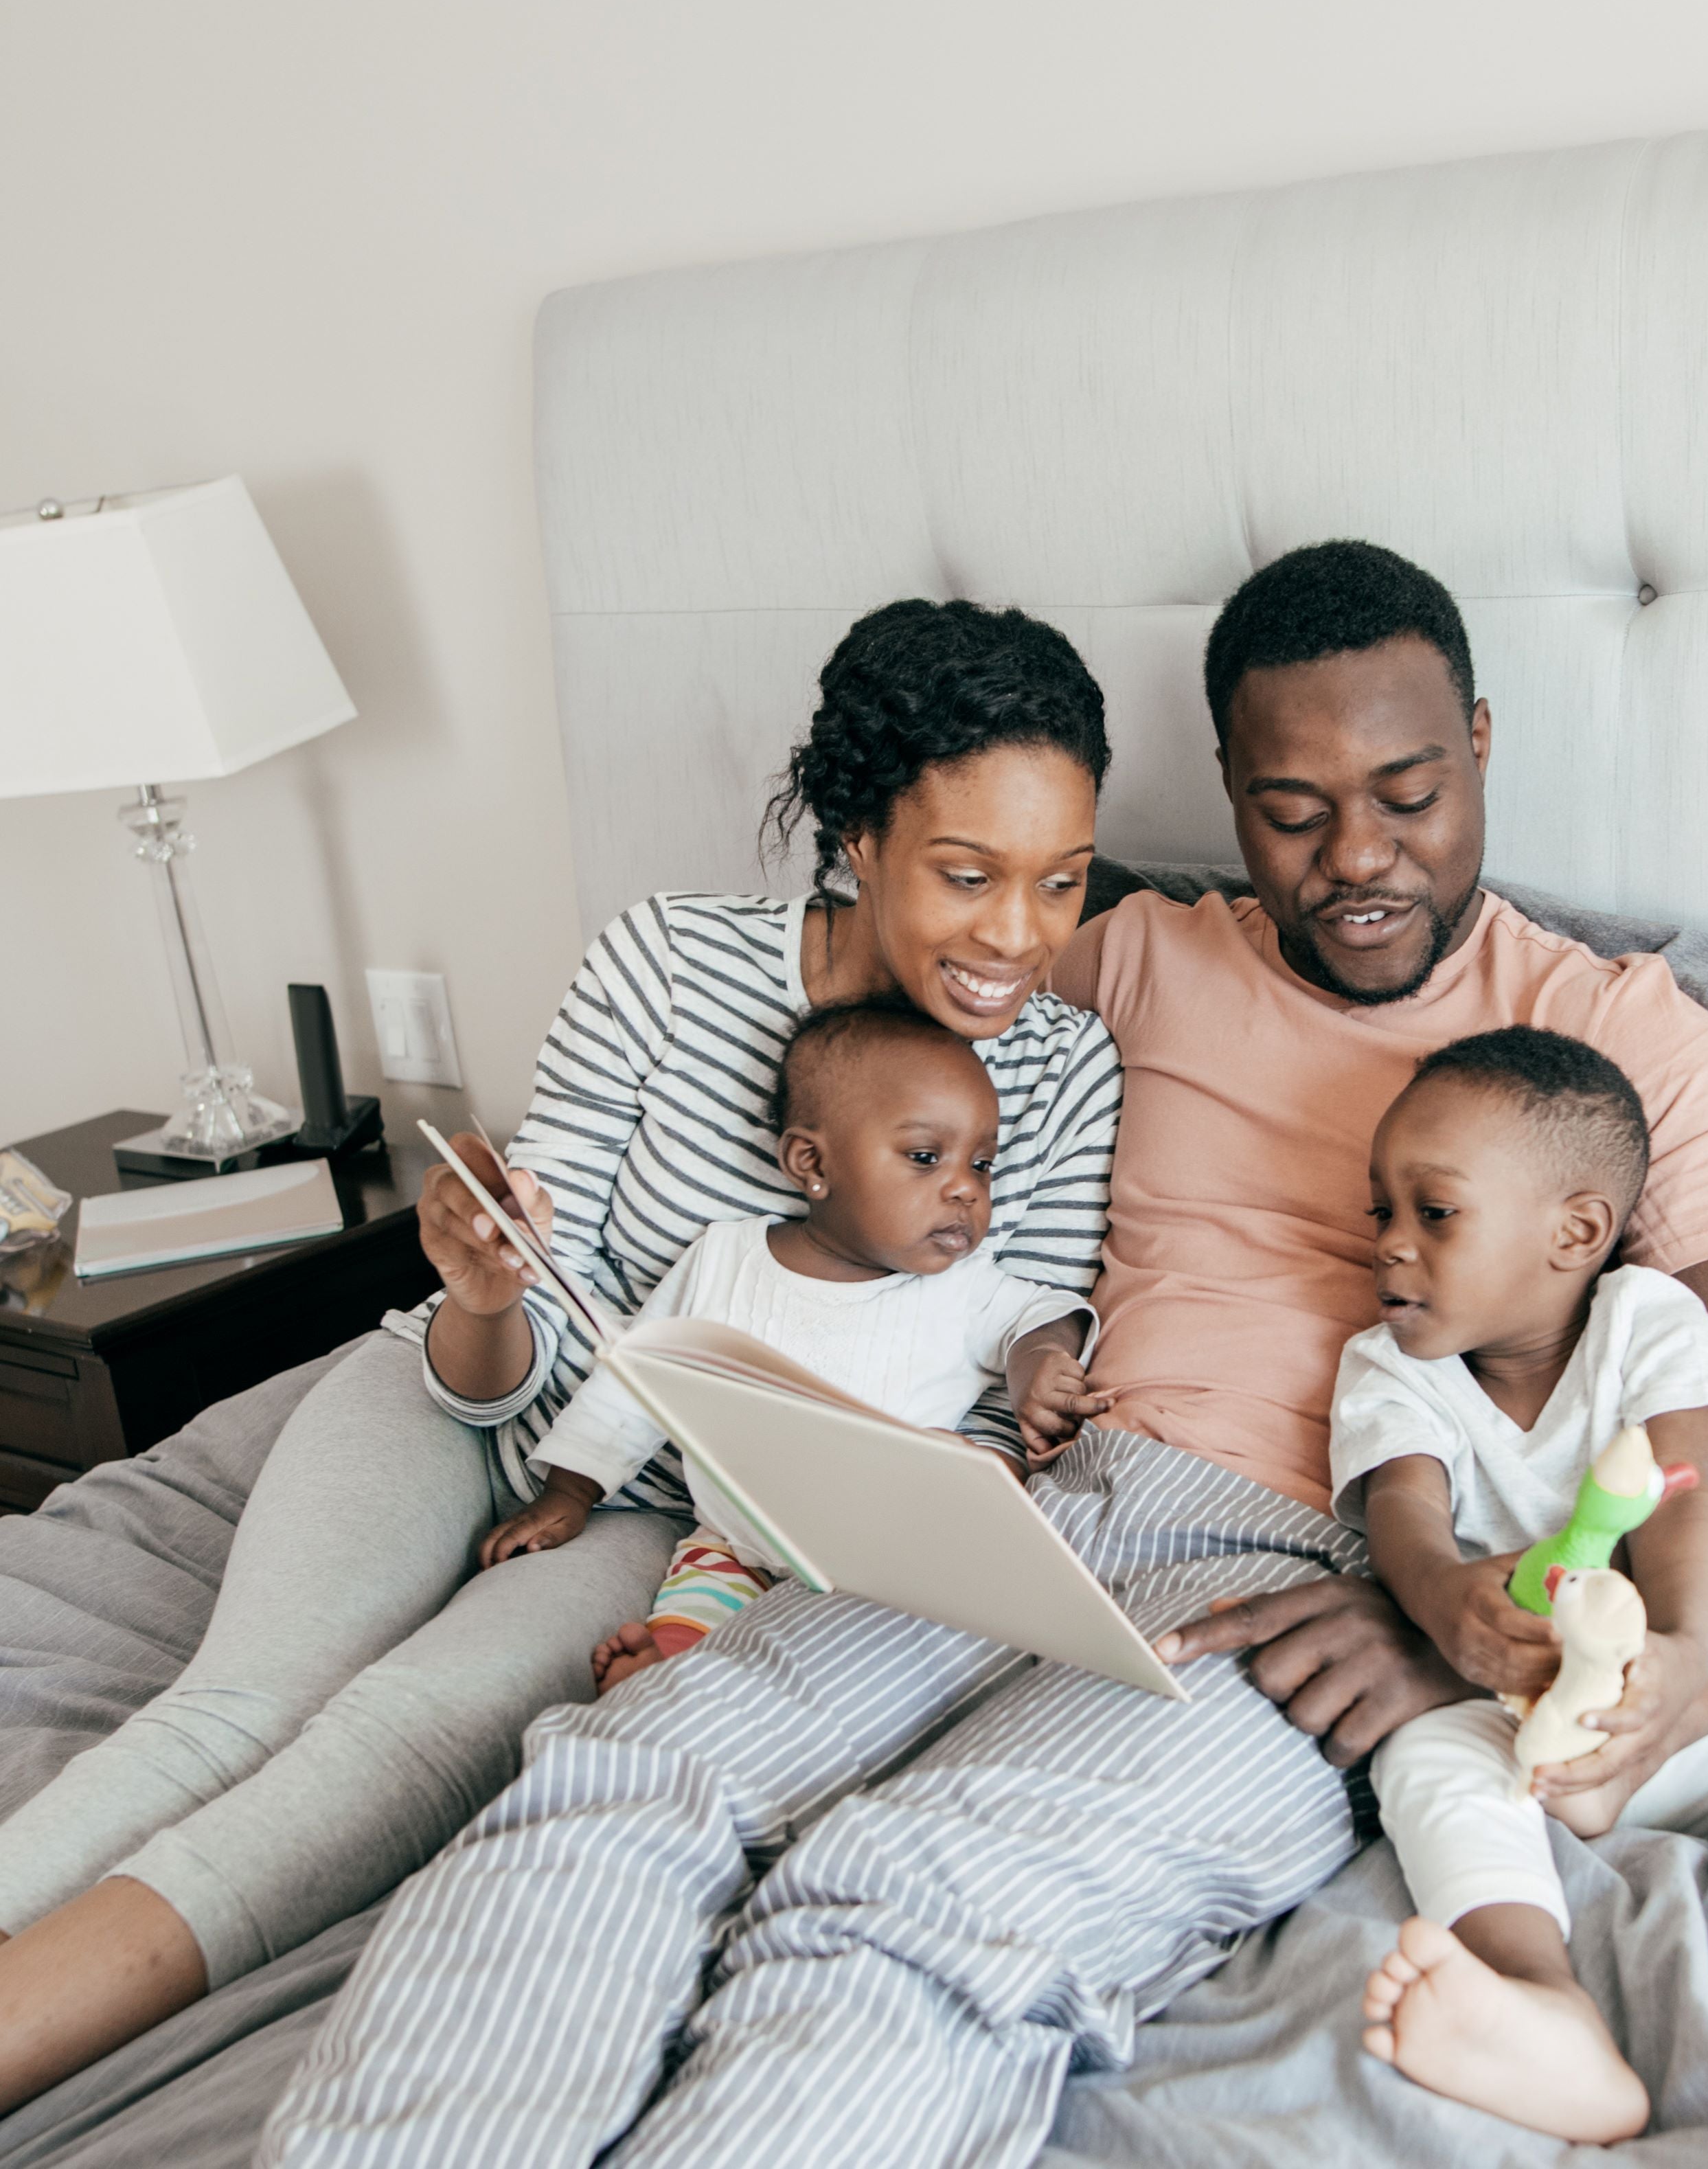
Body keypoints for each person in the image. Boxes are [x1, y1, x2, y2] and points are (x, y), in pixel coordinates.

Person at [264, 540, 1708, 2166]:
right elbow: (904, 975)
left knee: (915, 1900)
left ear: (1478, 739)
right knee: (609, 1785)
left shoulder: (1635, 1046)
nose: (1358, 860)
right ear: (1233, 796)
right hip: (1018, 1506)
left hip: (1305, 1574)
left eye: (1407, 793)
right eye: (1293, 812)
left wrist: (1474, 1632)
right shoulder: (1126, 958)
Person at [0, 599, 1120, 2111]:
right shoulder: (664, 962)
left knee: (385, 1743)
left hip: (672, 1513)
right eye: (967, 873)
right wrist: (478, 1287)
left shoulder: (1061, 1071)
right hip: (463, 1394)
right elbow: (509, 1339)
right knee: (238, 1704)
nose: (1017, 937)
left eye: (1061, 882)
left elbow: (1009, 1359)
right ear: (858, 834)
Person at [1341, 1027, 1708, 2142]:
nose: (1391, 1248)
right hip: (1539, 1753)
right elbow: (1406, 1521)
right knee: (1423, 1758)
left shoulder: (1651, 1325)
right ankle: (1539, 2001)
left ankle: (1660, 1738)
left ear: (1576, 1233)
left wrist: (1680, 1668)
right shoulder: (1389, 1370)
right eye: (1382, 1212)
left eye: (1436, 1213)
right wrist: (1448, 1609)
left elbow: (1679, 1500)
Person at [475, 993, 1097, 1693]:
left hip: (883, 1567)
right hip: (732, 1545)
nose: (964, 1189)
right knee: (697, 1610)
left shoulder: (961, 1286)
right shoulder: (725, 1259)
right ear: (811, 1162)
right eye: (926, 1156)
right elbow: (639, 1377)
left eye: (981, 1164)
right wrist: (571, 1487)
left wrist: (1039, 1364)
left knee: (884, 1650)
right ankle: (668, 1674)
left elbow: (1043, 1313)